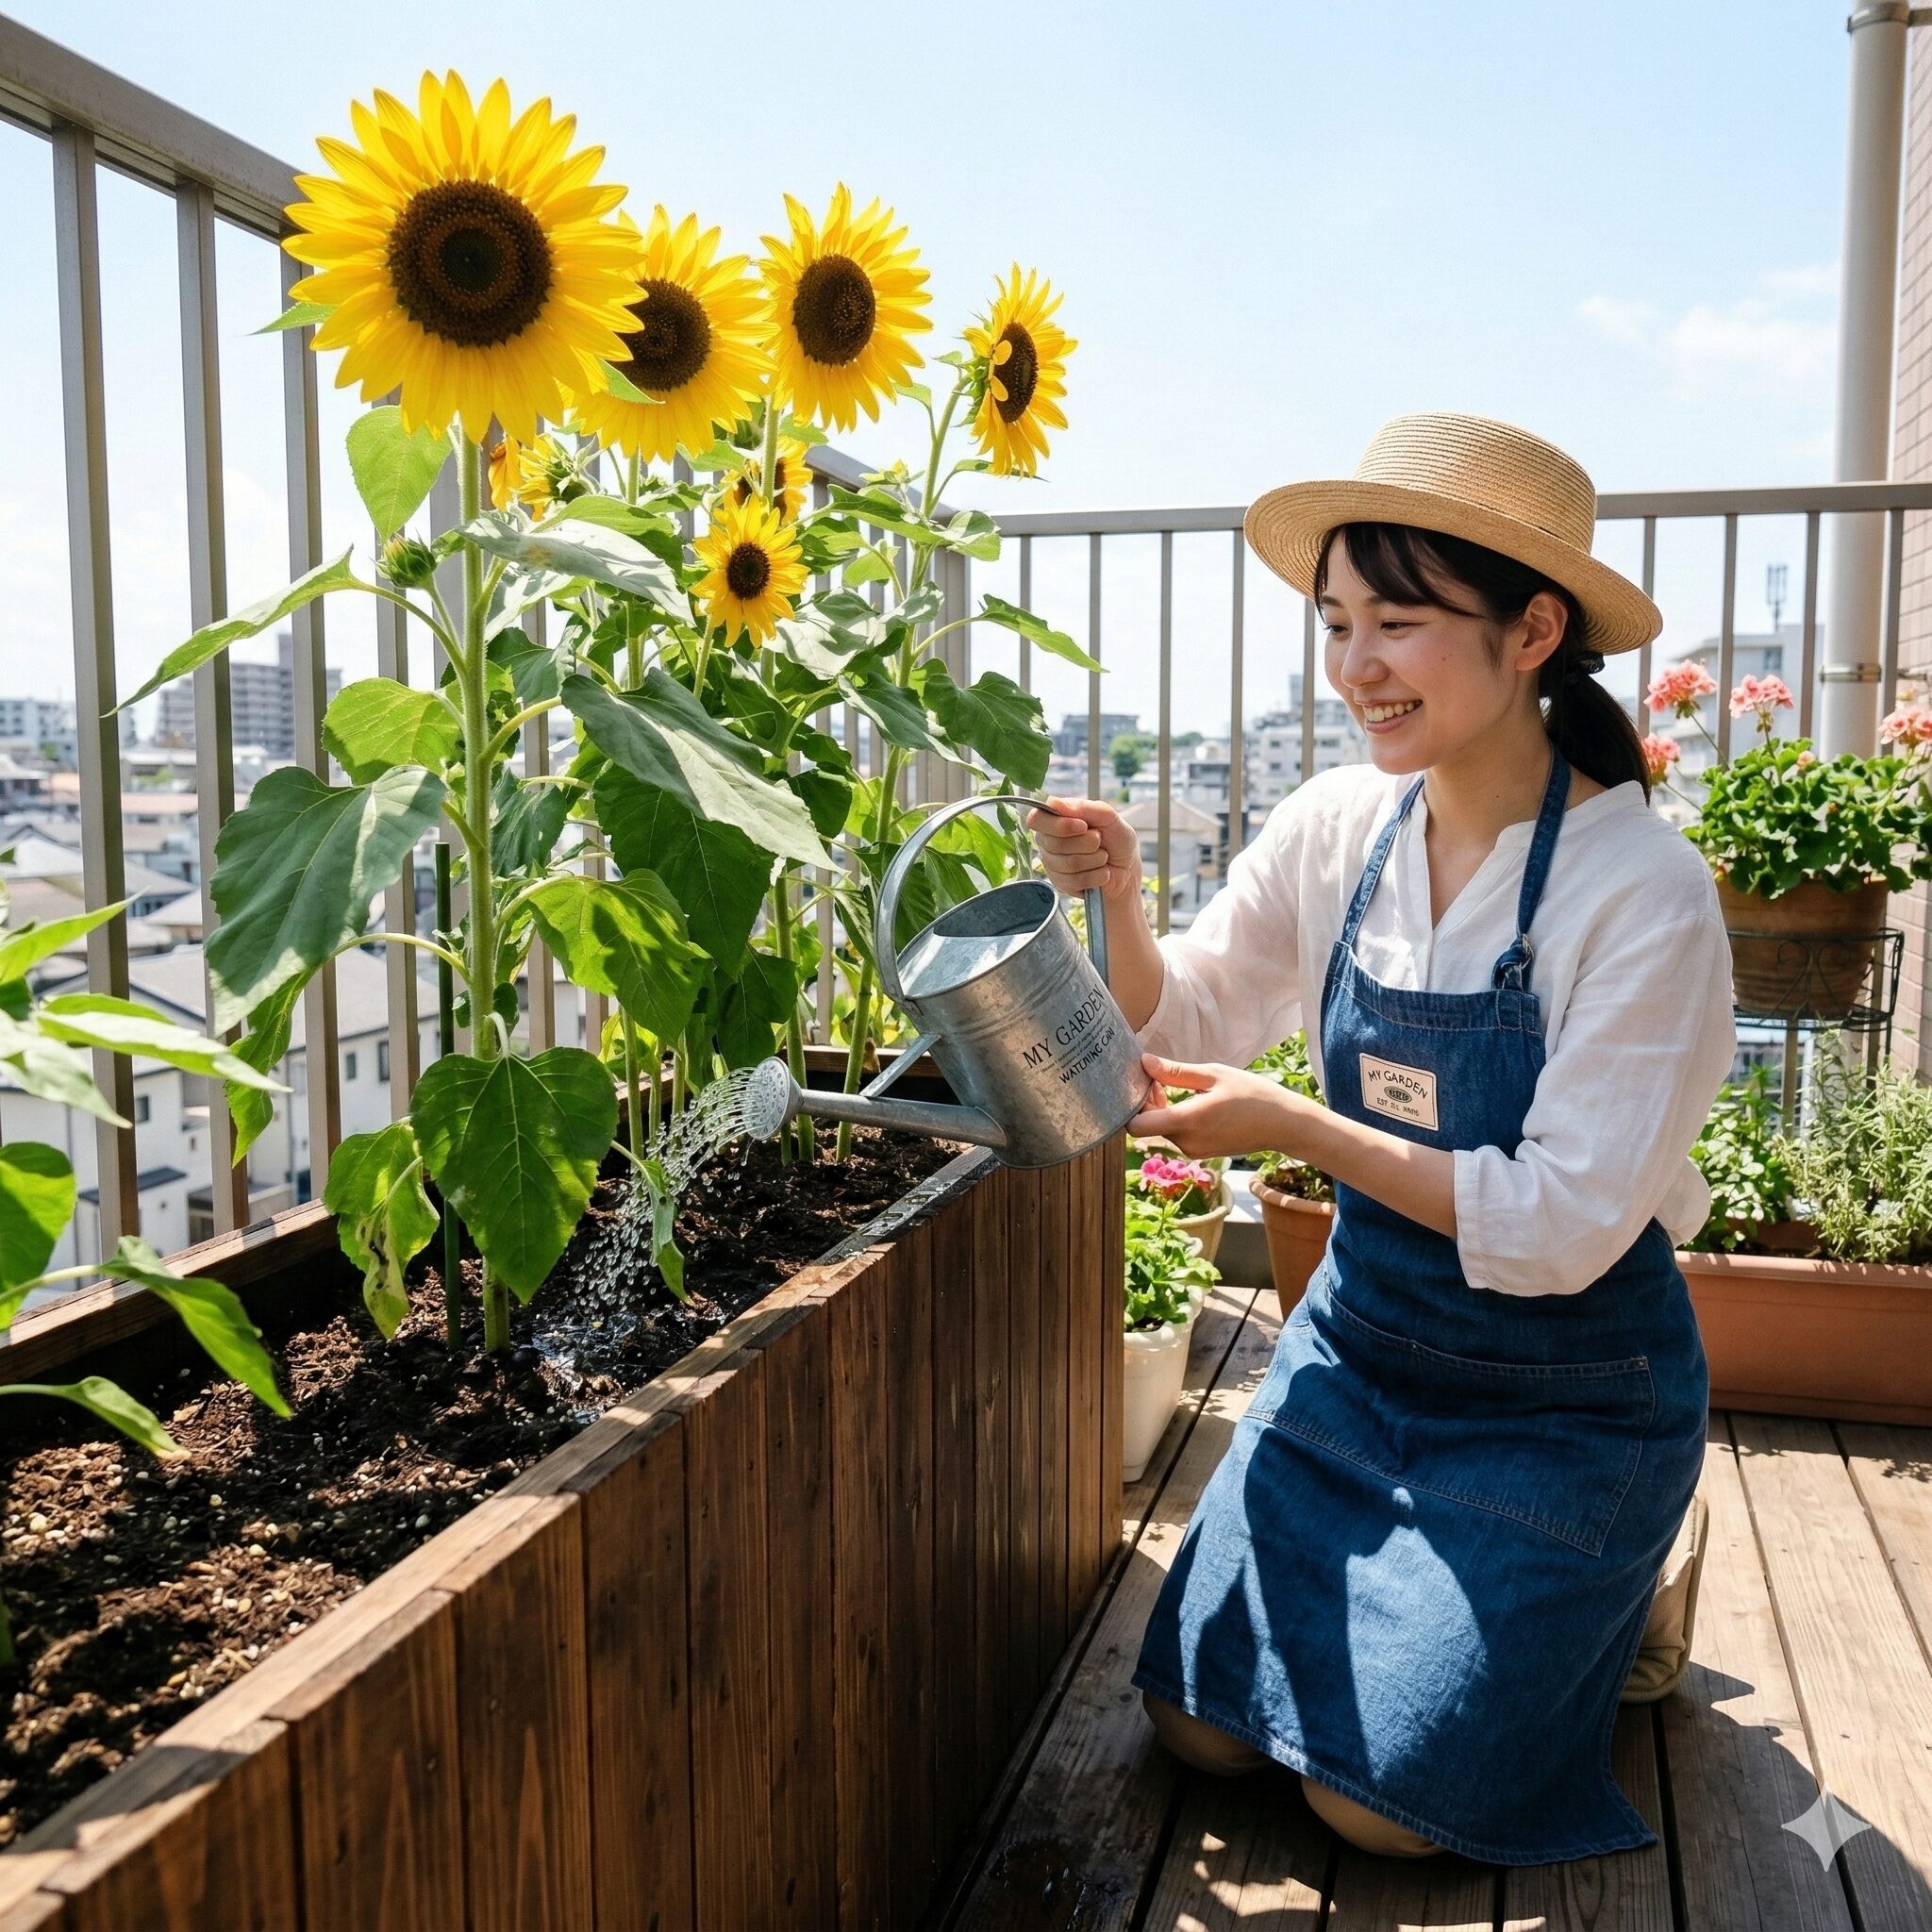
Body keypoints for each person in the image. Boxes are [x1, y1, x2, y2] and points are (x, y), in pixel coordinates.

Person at [1029, 412, 1733, 1865]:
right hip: (1360, 1360)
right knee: (1198, 1726)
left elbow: (1555, 1230)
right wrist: (1114, 899)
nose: (1355, 667)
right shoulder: (1340, 820)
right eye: (1337, 621)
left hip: (1569, 1399)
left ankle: (1622, 1601)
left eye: (1399, 623)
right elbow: (1201, 1013)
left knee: (1384, 1807)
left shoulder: (1642, 889)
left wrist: (1300, 1125)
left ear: (1534, 629)